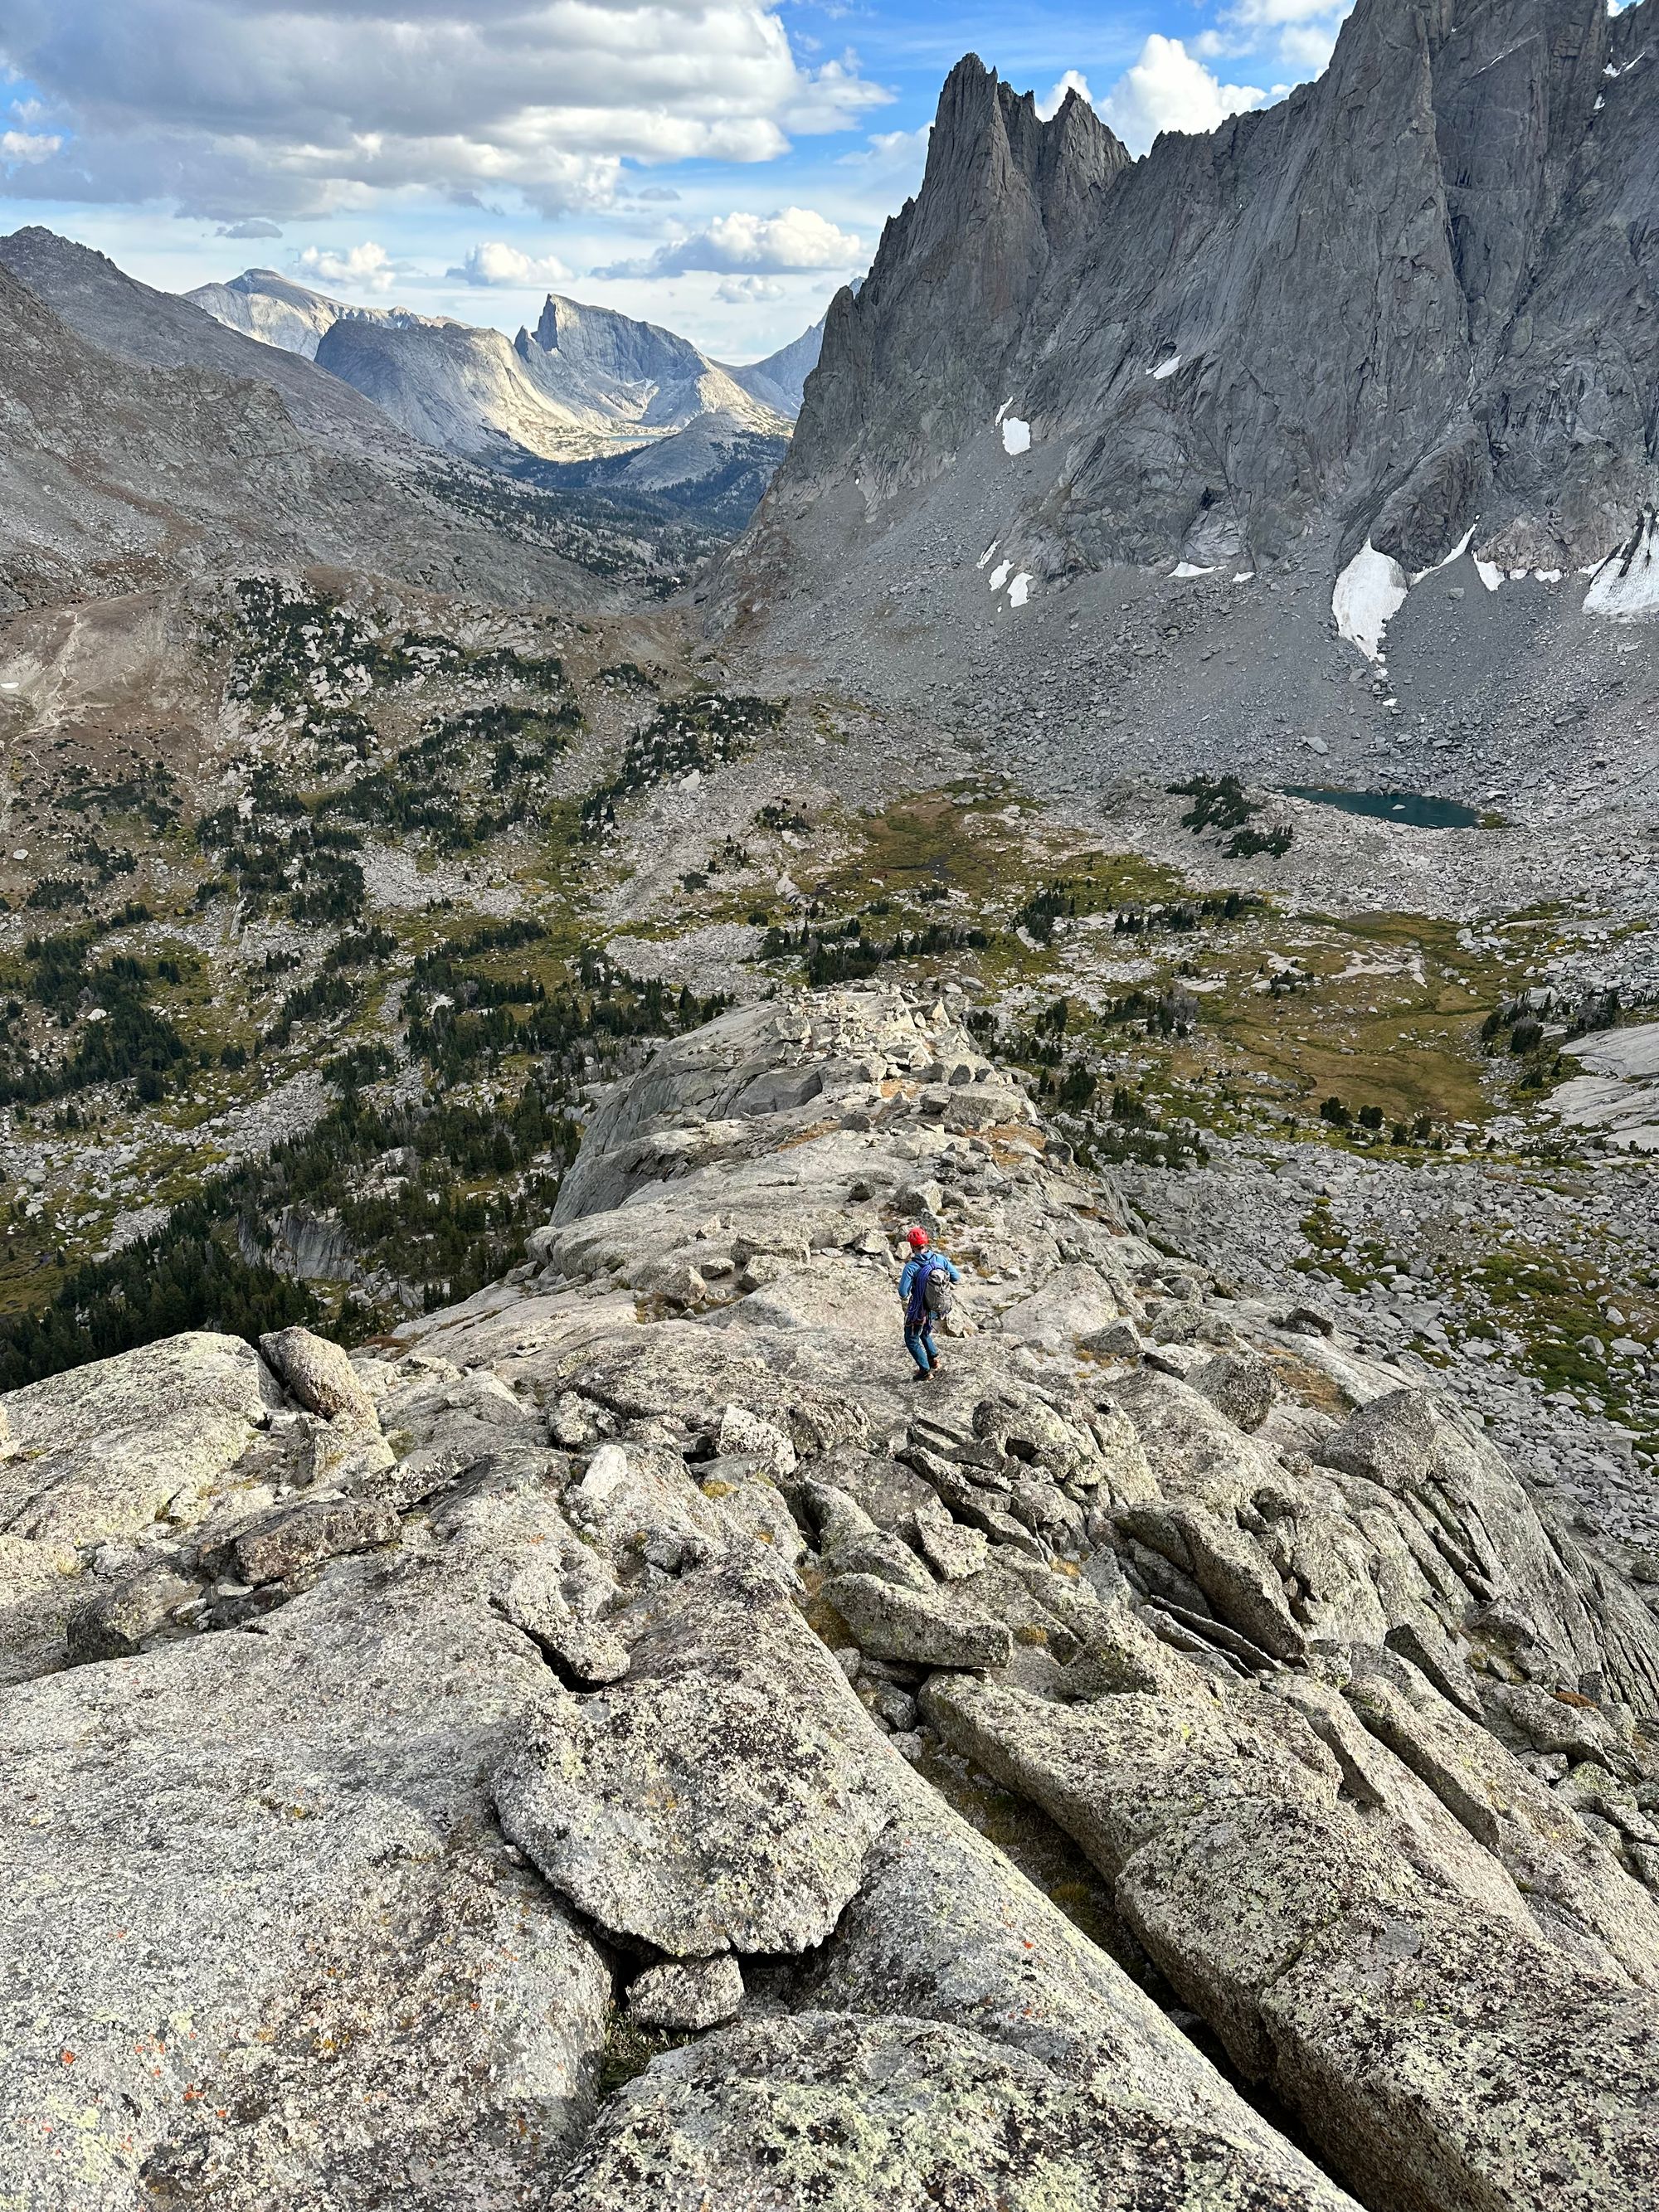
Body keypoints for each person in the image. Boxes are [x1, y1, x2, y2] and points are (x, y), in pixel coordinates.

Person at [898, 1226, 960, 1383]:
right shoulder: (940, 1259)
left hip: (920, 1309)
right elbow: (956, 1277)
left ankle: (925, 1371)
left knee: (911, 1339)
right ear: (926, 1243)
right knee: (925, 1331)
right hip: (936, 1307)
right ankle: (934, 1360)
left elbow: (903, 1292)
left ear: (911, 1246)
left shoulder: (912, 1267)